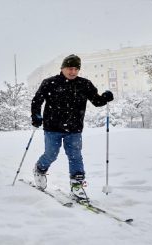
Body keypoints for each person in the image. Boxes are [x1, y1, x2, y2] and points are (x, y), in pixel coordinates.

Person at [31, 54, 114, 197]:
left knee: (75, 155)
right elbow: (37, 101)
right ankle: (39, 169)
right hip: (52, 127)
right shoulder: (49, 83)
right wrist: (36, 116)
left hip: (74, 128)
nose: (73, 72)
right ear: (62, 68)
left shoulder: (84, 84)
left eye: (76, 69)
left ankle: (77, 185)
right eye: (70, 68)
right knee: (51, 154)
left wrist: (105, 97)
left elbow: (97, 101)